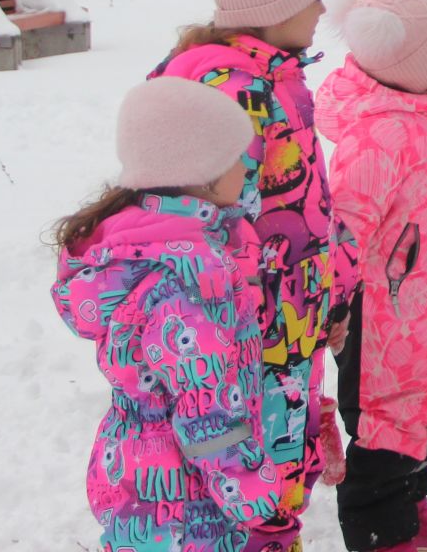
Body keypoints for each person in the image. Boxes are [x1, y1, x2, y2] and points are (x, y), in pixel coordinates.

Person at [153, 0, 336, 551]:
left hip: (292, 314)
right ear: (272, 8)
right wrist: (261, 312)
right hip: (250, 328)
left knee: (288, 456)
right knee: (252, 469)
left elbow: (307, 199)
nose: (320, 8)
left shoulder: (279, 78)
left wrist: (331, 287)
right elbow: (216, 224)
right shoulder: (232, 92)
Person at [52, 78, 287, 552]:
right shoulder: (189, 277)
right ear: (201, 172)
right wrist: (250, 490)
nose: (248, 168)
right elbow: (207, 408)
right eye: (238, 157)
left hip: (136, 473)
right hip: (187, 497)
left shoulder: (146, 243)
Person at [317, 0, 427, 552]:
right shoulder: (376, 136)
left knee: (419, 415)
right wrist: (338, 305)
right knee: (382, 432)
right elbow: (347, 229)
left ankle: (411, 506)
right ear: (409, 66)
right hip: (382, 319)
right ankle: (382, 535)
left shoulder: (425, 115)